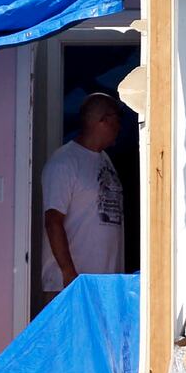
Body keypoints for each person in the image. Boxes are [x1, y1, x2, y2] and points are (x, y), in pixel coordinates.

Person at [41, 92, 124, 298]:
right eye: (117, 119)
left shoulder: (104, 159)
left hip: (104, 284)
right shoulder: (64, 162)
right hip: (73, 284)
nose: (120, 126)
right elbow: (53, 221)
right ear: (102, 121)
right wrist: (69, 274)